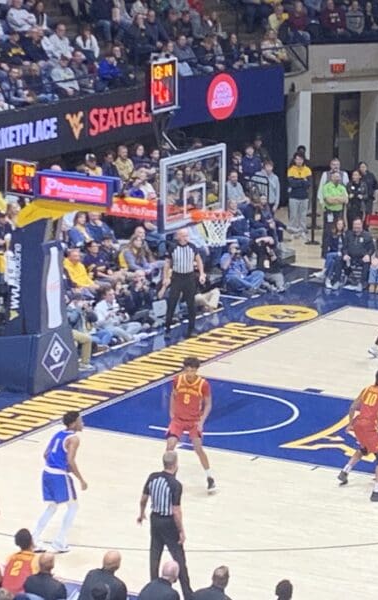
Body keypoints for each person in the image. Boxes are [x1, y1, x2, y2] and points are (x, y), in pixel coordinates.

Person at [138, 452, 192, 600]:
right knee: (179, 557)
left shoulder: (152, 477)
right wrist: (181, 530)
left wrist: (141, 513)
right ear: (175, 464)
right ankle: (188, 593)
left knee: (154, 554)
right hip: (168, 522)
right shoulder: (175, 484)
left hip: (154, 518)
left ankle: (153, 587)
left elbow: (143, 499)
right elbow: (176, 511)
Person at [336, 369, 378, 502]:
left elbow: (352, 407)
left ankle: (345, 471)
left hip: (358, 425)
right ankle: (376, 492)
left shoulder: (366, 389)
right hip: (370, 428)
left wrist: (350, 424)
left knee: (364, 449)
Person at [32, 411, 87, 553]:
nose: (83, 423)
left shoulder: (58, 434)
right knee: (73, 506)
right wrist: (81, 479)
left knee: (52, 507)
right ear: (74, 423)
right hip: (58, 475)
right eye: (80, 420)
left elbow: (45, 454)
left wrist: (54, 463)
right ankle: (60, 541)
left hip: (47, 472)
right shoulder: (74, 438)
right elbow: (70, 460)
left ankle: (34, 539)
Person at [167, 357, 216, 493]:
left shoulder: (203, 384)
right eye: (187, 370)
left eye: (192, 371)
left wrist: (202, 421)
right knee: (170, 446)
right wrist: (171, 412)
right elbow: (173, 395)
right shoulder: (177, 380)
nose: (189, 373)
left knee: (198, 448)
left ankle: (210, 477)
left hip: (194, 420)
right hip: (179, 419)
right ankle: (171, 476)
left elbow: (209, 404)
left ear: (196, 370)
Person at [161, 228, 206, 339]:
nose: (186, 237)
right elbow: (167, 264)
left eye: (187, 235)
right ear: (178, 236)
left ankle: (191, 330)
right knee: (172, 304)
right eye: (184, 235)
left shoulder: (192, 247)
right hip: (177, 277)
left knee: (192, 305)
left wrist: (201, 274)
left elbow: (199, 260)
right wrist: (166, 277)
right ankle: (167, 329)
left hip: (189, 277)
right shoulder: (172, 247)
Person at [2, 529, 39, 594]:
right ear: (31, 541)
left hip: (4, 594)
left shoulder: (11, 557)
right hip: (20, 596)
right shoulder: (34, 559)